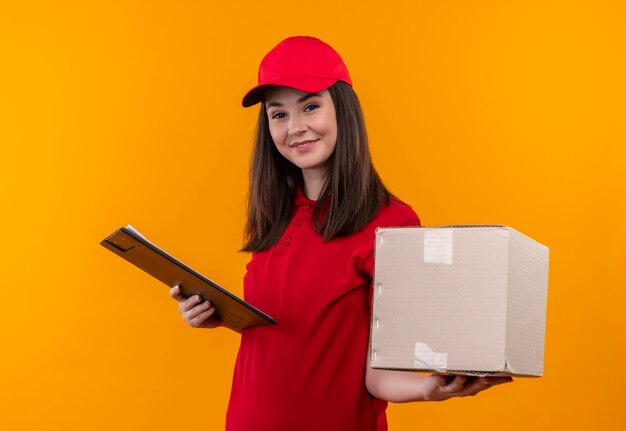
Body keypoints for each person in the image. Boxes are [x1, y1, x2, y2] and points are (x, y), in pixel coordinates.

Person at [169, 36, 512, 431]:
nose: (295, 127)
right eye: (277, 114)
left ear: (343, 111)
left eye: (310, 106)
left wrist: (429, 389)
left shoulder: (392, 223)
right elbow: (288, 331)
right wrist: (220, 315)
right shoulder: (275, 215)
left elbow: (378, 376)